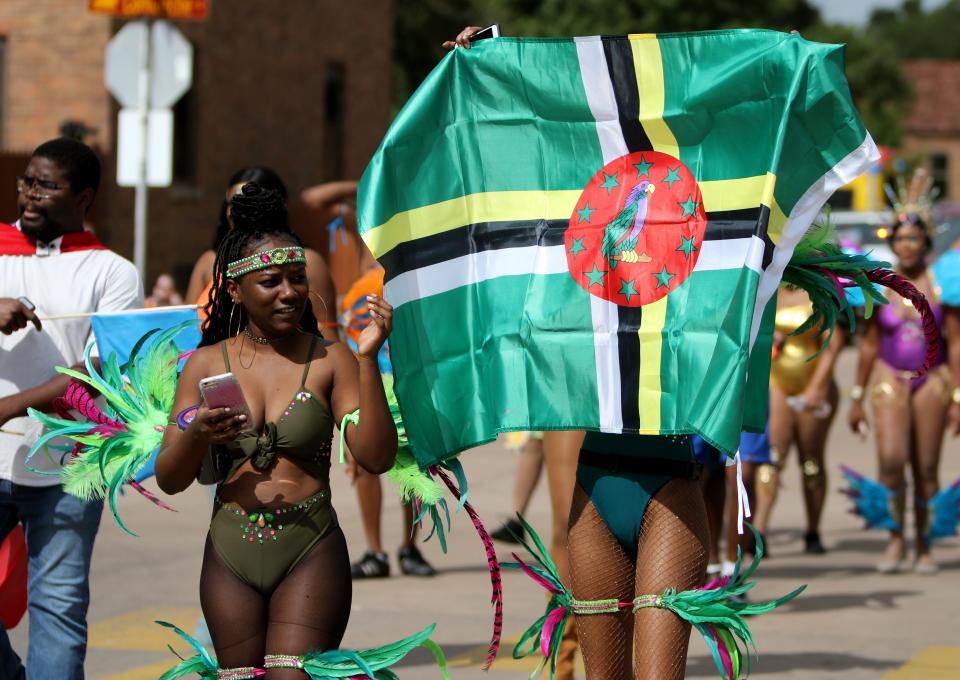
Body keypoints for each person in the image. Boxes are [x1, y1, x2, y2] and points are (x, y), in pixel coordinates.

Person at [155, 183, 400, 674]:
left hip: (310, 546)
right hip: (229, 551)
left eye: (296, 278)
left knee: (292, 674)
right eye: (271, 282)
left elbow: (375, 458)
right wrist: (198, 432)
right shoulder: (203, 366)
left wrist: (369, 359)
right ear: (234, 290)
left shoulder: (333, 359)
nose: (289, 292)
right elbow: (170, 477)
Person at [0, 138, 142, 679]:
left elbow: (97, 377)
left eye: (46, 185)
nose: (29, 195)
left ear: (84, 197)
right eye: (26, 182)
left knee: (57, 612)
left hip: (69, 465)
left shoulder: (112, 272)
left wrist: (9, 406)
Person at [847, 213, 960, 573]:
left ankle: (923, 545)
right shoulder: (880, 287)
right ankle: (896, 540)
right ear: (892, 244)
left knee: (926, 466)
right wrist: (855, 396)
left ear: (925, 243)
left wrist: (958, 396)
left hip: (933, 380)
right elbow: (868, 345)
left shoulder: (942, 285)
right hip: (889, 378)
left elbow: (955, 343)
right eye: (900, 239)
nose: (906, 245)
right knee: (892, 462)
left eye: (914, 238)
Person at [749, 289, 845, 556]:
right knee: (771, 458)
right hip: (777, 382)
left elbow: (834, 343)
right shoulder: (770, 281)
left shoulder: (819, 290)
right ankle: (760, 532)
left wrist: (817, 387)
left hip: (812, 382)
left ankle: (813, 531)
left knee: (811, 462)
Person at [185, 166, 338, 333]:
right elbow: (184, 333)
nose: (240, 208)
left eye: (297, 278)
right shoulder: (209, 261)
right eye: (233, 202)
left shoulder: (307, 260)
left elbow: (326, 333)